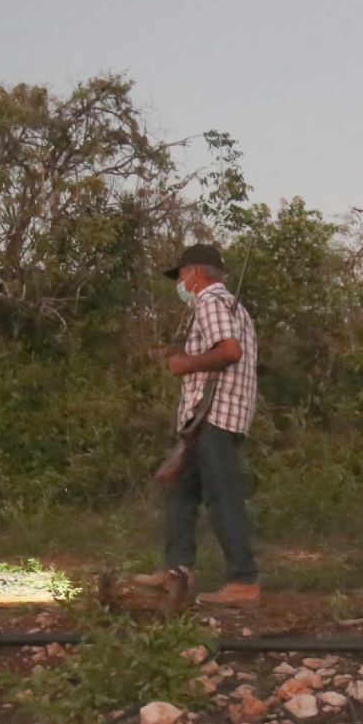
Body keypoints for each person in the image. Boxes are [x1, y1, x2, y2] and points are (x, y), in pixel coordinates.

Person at [133, 243, 261, 608]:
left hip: (213, 416)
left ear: (194, 273)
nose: (180, 284)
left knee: (222, 498)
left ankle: (243, 581)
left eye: (180, 275)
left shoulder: (209, 301)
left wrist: (185, 363)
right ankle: (176, 570)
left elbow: (229, 351)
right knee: (181, 494)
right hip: (207, 418)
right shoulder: (234, 307)